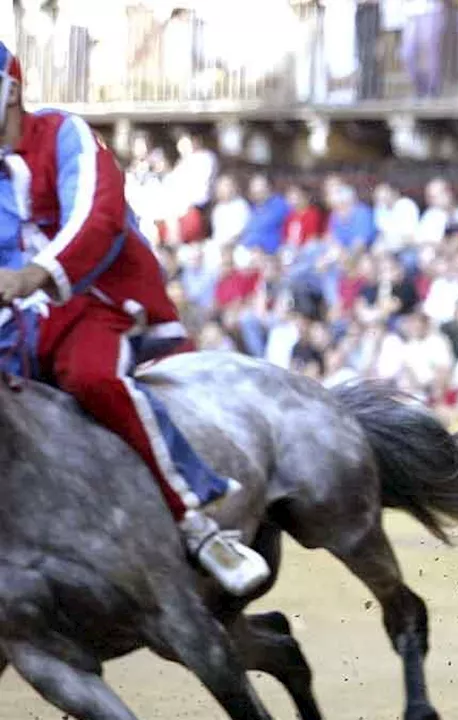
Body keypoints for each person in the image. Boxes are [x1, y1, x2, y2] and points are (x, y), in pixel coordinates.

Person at [0, 45, 270, 595]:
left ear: (9, 89)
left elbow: (96, 217)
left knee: (91, 378)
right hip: (16, 319)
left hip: (92, 298)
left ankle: (195, 522)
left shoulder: (64, 134)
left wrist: (35, 274)